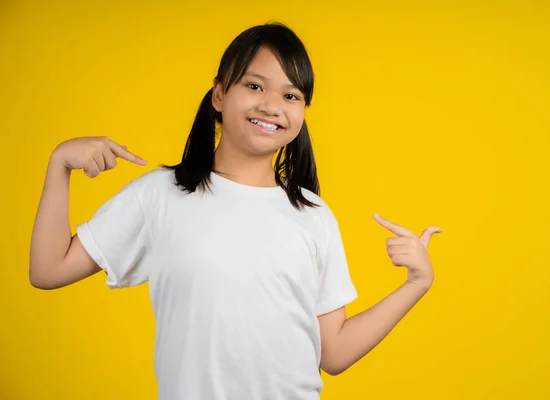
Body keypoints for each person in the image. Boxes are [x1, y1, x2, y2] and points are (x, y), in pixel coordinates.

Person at [29, 22, 442, 400]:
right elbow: (48, 270)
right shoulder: (160, 195)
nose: (272, 105)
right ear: (220, 94)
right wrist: (59, 164)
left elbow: (333, 353)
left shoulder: (312, 213)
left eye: (291, 95)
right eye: (255, 86)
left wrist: (416, 283)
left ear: (301, 112)